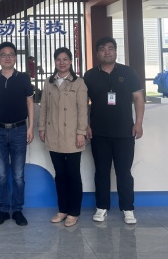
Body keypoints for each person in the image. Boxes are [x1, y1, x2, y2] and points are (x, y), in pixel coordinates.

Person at [84, 36, 144, 225]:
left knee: (124, 172)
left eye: (110, 48)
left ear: (115, 51)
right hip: (99, 132)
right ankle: (102, 207)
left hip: (125, 132)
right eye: (102, 49)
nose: (107, 52)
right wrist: (85, 124)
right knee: (101, 172)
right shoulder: (90, 76)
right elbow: (83, 103)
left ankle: (128, 209)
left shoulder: (128, 72)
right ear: (97, 53)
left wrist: (139, 123)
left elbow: (138, 98)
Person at [38, 47, 88, 227]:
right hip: (54, 135)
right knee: (59, 174)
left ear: (71, 61)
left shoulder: (79, 83)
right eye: (58, 59)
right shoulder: (49, 82)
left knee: (73, 174)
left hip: (73, 136)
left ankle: (74, 212)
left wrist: (81, 132)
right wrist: (42, 128)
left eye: (65, 59)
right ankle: (63, 210)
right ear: (54, 62)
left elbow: (83, 110)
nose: (62, 62)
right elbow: (44, 107)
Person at [0, 42, 34, 226]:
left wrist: (30, 127)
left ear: (15, 58)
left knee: (18, 175)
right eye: (3, 55)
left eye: (11, 54)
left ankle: (18, 210)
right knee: (2, 174)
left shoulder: (24, 78)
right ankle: (4, 210)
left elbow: (30, 102)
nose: (7, 57)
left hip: (19, 130)